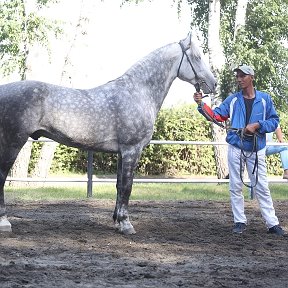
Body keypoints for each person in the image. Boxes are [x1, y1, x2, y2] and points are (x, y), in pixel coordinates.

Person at [193, 64, 285, 236]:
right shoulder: (233, 100)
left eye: (243, 76)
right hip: (236, 147)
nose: (239, 79)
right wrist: (201, 104)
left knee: (262, 186)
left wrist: (258, 125)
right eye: (238, 76)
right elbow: (216, 116)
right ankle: (239, 221)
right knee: (235, 185)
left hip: (257, 148)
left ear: (252, 77)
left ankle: (272, 223)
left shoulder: (265, 99)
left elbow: (274, 121)